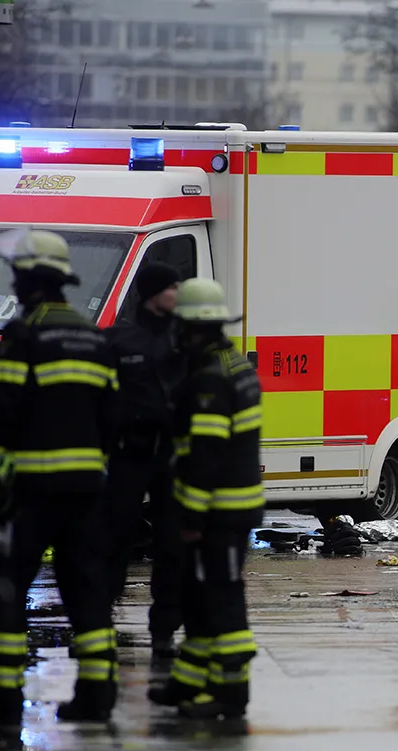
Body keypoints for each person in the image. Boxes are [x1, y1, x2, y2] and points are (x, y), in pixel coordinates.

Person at [0, 229, 119, 732]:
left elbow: (4, 416)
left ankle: (2, 700)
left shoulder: (23, 335)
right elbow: (112, 419)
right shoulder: (92, 336)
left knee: (8, 589)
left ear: (29, 280)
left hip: (34, 491)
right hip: (87, 491)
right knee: (87, 592)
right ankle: (97, 697)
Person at [148, 278, 262, 719]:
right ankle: (189, 682)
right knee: (198, 596)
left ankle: (231, 692)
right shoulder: (235, 366)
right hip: (228, 508)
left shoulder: (211, 378)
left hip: (218, 512)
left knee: (220, 596)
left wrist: (191, 513)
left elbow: (206, 455)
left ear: (192, 327)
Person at [104, 262, 187, 659]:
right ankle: (101, 620)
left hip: (170, 458)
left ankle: (164, 631)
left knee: (171, 546)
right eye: (173, 286)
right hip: (128, 454)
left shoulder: (183, 338)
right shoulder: (120, 340)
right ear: (155, 292)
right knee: (116, 537)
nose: (178, 292)